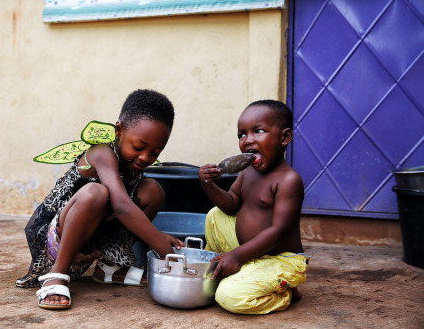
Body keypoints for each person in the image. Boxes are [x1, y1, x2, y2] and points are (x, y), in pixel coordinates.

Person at [16, 89, 183, 310]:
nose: (145, 158)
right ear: (119, 130)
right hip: (56, 241)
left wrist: (158, 235)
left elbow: (121, 209)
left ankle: (108, 267)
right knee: (96, 193)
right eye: (139, 147)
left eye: (155, 152)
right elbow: (122, 207)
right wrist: (165, 251)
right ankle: (56, 275)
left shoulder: (132, 163)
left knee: (153, 190)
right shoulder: (101, 153)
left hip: (92, 240)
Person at [198, 99, 309, 315]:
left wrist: (238, 256)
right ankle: (225, 265)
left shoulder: (288, 180)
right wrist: (208, 184)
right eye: (241, 134)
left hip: (281, 260)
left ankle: (285, 293)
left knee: (228, 296)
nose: (247, 140)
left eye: (258, 131)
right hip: (251, 251)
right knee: (215, 215)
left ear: (284, 138)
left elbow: (279, 232)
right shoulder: (247, 172)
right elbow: (230, 205)